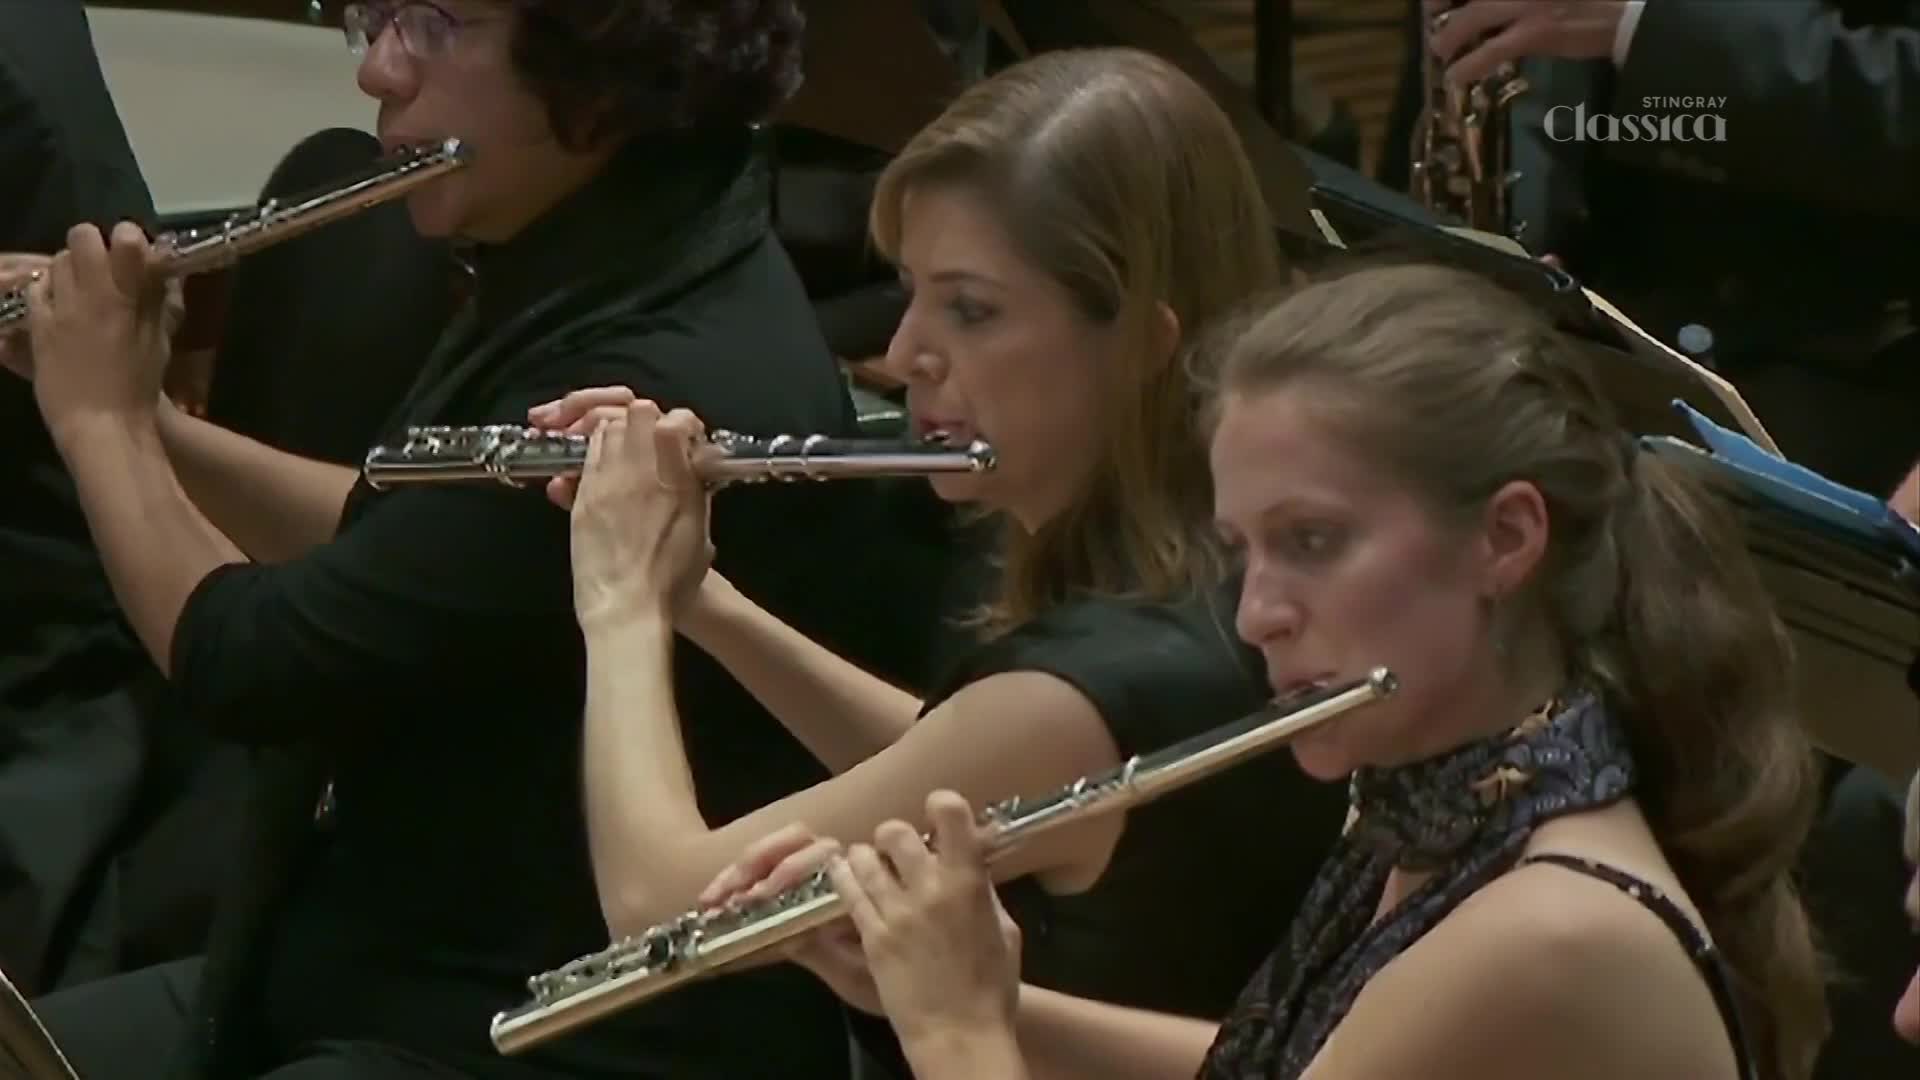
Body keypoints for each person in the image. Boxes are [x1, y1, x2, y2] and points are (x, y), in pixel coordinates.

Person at [4, 2, 949, 1078]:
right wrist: (154, 423)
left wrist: (99, 425)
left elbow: (244, 661)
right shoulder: (612, 247)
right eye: (376, 15)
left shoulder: (657, 365)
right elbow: (394, 540)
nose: (377, 71)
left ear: (598, 78)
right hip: (361, 954)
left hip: (516, 1031)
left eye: (438, 24)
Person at [710, 261, 1835, 1080]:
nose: (1256, 617)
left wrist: (956, 1036)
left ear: (1506, 538)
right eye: (1243, 551)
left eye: (1312, 542)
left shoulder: (1549, 935)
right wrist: (989, 1003)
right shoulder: (1448, 802)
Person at [532, 44, 1349, 1075]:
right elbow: (950, 759)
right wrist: (702, 599)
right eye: (912, 292)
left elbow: (657, 914)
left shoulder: (1094, 687)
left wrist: (620, 606)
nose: (906, 350)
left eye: (971, 309)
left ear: (1143, 339)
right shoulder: (1213, 582)